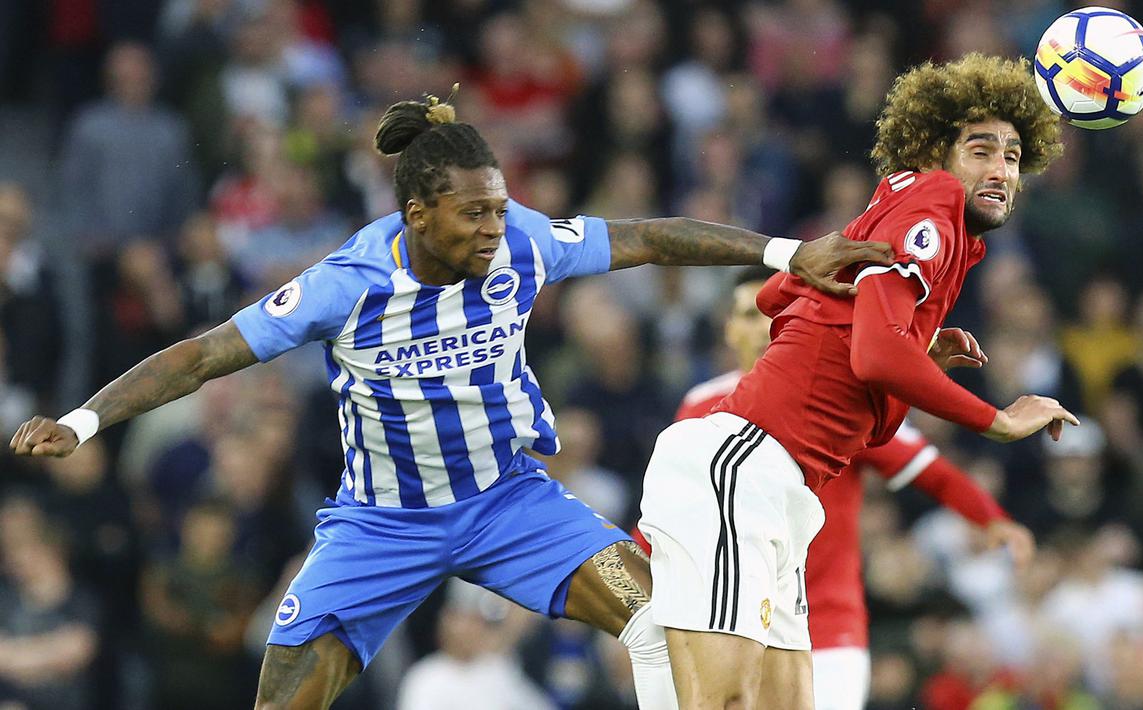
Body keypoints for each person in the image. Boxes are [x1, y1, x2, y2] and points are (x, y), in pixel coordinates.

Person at [10, 90, 892, 709]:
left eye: (501, 210)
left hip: (509, 501)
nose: (495, 229)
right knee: (282, 700)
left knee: (664, 617)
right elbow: (202, 357)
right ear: (417, 213)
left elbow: (651, 237)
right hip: (380, 524)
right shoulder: (346, 283)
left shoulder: (523, 244)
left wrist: (783, 253)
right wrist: (84, 420)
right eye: (474, 215)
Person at [636, 53, 1076, 710]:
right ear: (936, 151)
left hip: (782, 492)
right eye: (980, 150)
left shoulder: (896, 207)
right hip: (746, 466)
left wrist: (912, 343)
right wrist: (996, 419)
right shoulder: (933, 202)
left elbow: (777, 298)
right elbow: (872, 356)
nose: (1000, 171)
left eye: (1012, 157)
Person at [632, 266, 1036, 710]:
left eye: (777, 311)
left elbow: (931, 470)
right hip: (730, 615)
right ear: (728, 330)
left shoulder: (834, 390)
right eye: (750, 314)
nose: (765, 325)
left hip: (826, 618)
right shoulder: (701, 407)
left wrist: (992, 520)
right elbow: (672, 504)